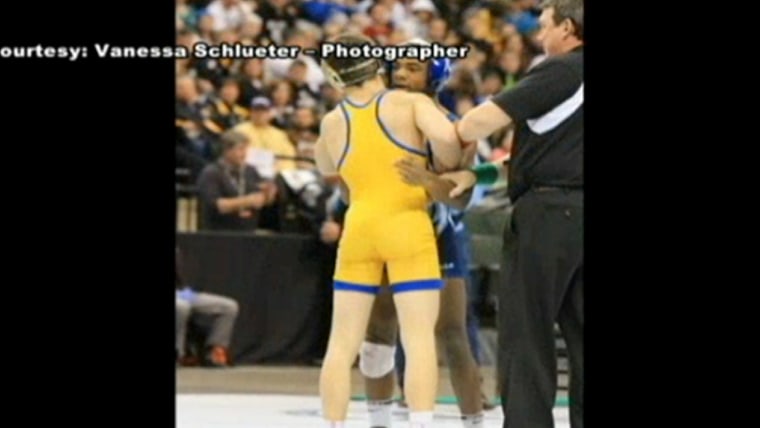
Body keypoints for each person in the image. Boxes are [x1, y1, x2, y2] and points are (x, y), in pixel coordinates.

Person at [420, 1, 584, 427]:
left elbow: (479, 122)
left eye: (545, 26)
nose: (539, 36)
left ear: (568, 28)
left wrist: (444, 138)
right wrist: (480, 175)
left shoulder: (561, 69)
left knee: (526, 334)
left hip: (549, 217)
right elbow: (553, 153)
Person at [313, 33, 464, 428]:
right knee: (417, 340)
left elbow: (332, 174)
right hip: (407, 224)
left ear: (335, 76)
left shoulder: (331, 121)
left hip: (359, 229)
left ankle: (333, 423)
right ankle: (420, 421)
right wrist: (437, 170)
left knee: (341, 343)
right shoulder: (411, 103)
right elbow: (449, 144)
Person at [355, 38, 489, 428]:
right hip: (385, 229)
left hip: (438, 233)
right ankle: (378, 421)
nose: (400, 74)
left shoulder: (455, 128)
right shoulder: (372, 119)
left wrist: (429, 181)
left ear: (435, 74)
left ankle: (474, 421)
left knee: (452, 332)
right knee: (378, 329)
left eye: (413, 67)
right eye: (398, 66)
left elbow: (461, 201)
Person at [196, 130, 277, 231]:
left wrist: (269, 192)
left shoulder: (250, 170)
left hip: (247, 232)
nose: (245, 154)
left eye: (246, 149)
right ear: (226, 150)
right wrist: (247, 201)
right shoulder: (212, 173)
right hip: (219, 233)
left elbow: (264, 201)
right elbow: (217, 205)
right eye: (240, 149)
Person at [175, 247, 240, 368]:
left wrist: (186, 293)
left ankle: (214, 352)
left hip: (180, 293)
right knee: (182, 307)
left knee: (229, 306)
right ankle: (178, 353)